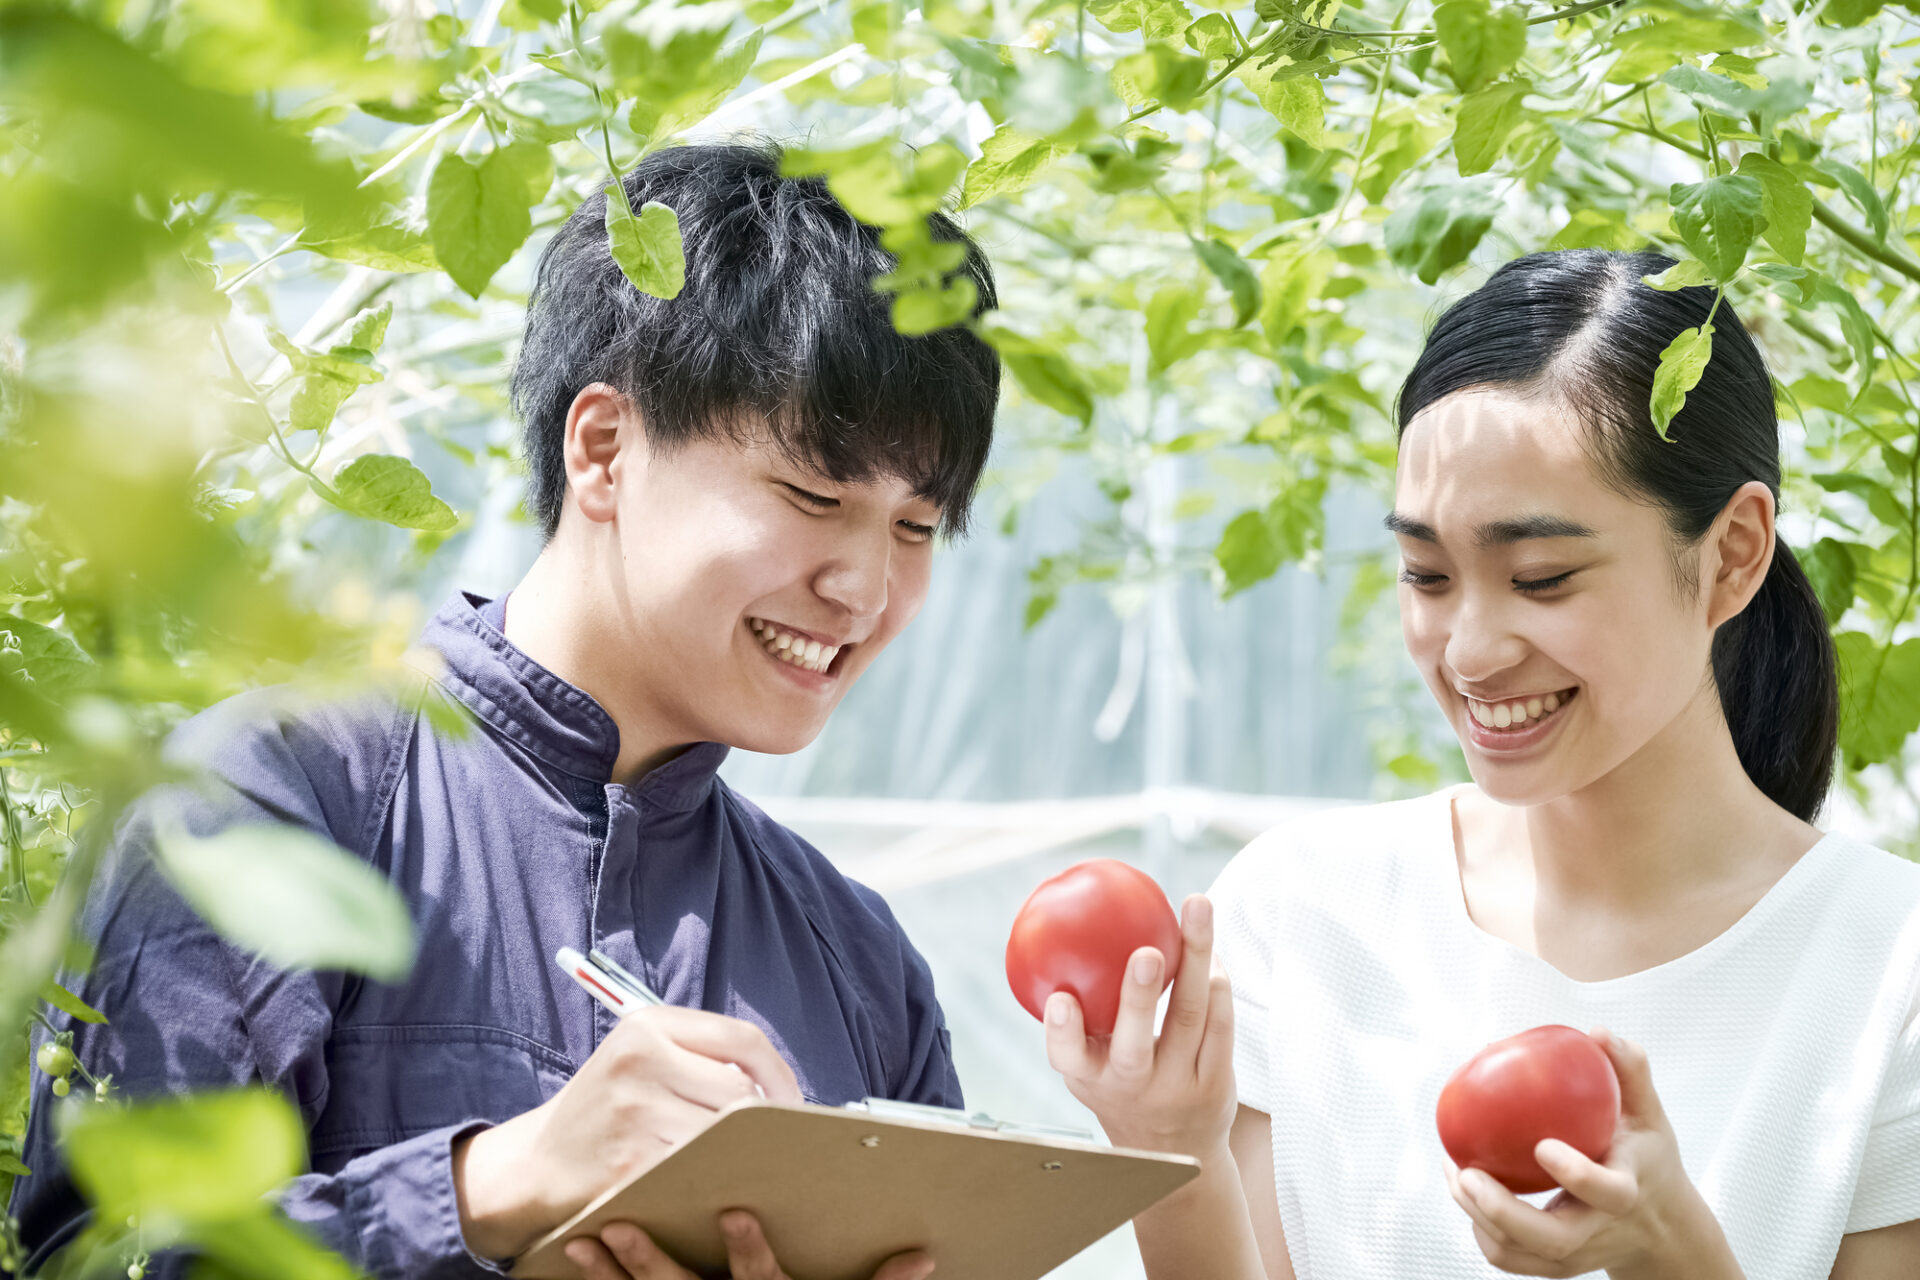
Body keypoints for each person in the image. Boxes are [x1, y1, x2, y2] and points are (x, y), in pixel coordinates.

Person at [9, 140, 1000, 1280]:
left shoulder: (862, 962)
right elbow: (104, 1253)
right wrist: (488, 1187)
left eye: (916, 528)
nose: (867, 589)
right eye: (815, 494)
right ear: (604, 449)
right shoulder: (270, 798)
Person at [1042, 249, 1920, 1278]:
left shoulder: (1887, 971)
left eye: (1540, 577)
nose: (1467, 650)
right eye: (1427, 573)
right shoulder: (1303, 908)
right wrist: (1171, 1147)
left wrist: (1671, 1249)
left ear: (1731, 553)